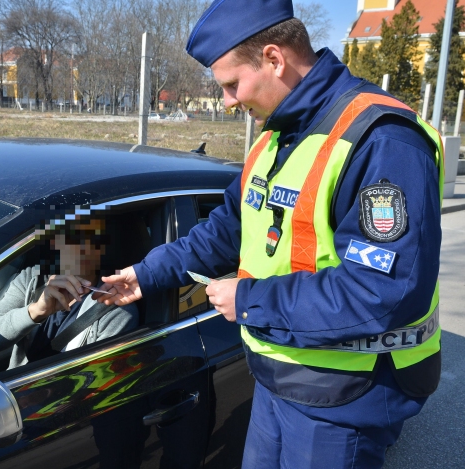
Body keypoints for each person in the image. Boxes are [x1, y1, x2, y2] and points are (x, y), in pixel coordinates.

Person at [95, 1, 443, 467]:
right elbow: (226, 230)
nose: (228, 102)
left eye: (231, 84)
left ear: (275, 59)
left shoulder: (381, 139)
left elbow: (383, 291)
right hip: (279, 377)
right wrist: (147, 273)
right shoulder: (276, 137)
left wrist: (250, 301)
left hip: (342, 396)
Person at [0, 217, 138, 370]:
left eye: (91, 239)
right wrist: (36, 311)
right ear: (55, 242)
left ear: (102, 247)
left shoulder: (116, 305)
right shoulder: (32, 280)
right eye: (71, 238)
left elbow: (96, 380)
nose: (81, 247)